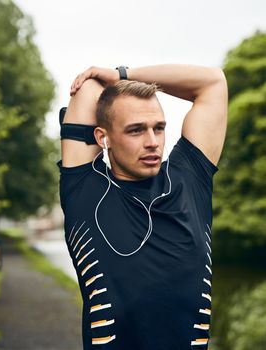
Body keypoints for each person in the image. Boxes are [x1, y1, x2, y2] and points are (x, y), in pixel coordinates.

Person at [56, 64, 228, 349]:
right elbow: (89, 88)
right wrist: (113, 82)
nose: (152, 142)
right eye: (136, 130)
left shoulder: (190, 179)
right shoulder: (85, 193)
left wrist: (123, 75)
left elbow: (213, 81)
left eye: (159, 128)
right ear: (103, 138)